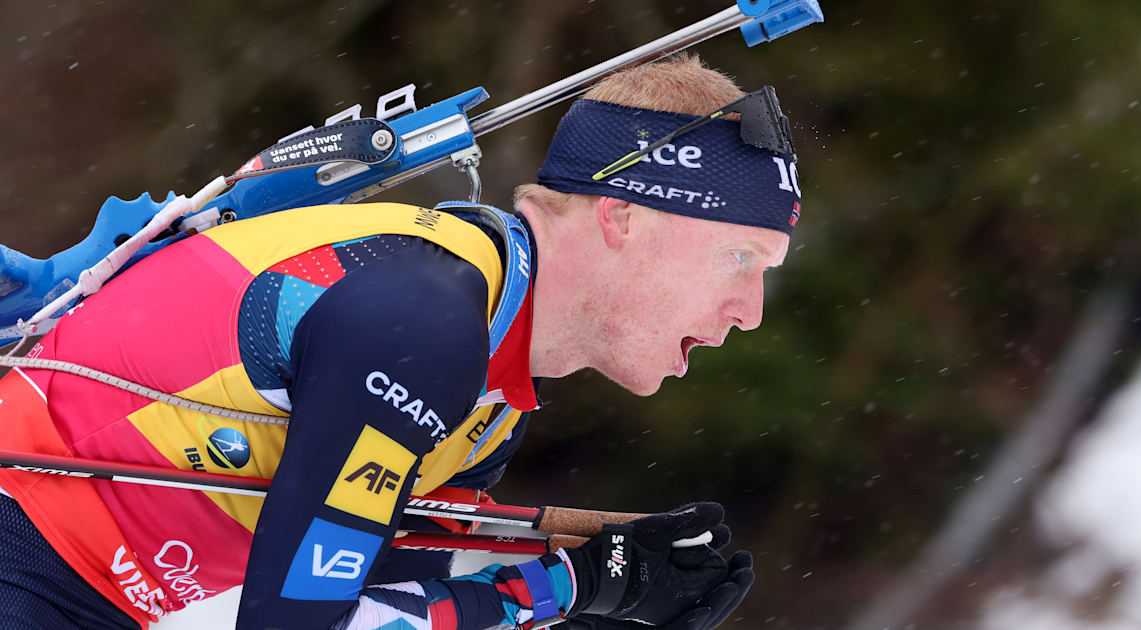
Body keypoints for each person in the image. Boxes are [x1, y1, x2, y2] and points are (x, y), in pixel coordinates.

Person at [0, 54, 800, 630]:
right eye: (739, 258)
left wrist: (594, 596)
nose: (751, 310)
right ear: (624, 219)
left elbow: (390, 597)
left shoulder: (493, 378)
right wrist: (570, 585)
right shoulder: (423, 322)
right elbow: (297, 620)